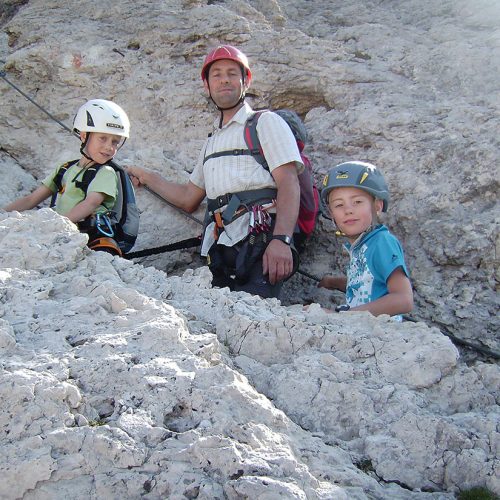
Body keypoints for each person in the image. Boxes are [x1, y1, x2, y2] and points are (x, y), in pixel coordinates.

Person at [127, 45, 303, 298]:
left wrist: (282, 240)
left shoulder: (265, 122)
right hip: (221, 243)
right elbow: (189, 198)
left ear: (246, 81)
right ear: (206, 86)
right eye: (217, 74)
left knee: (255, 320)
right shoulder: (212, 142)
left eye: (232, 73)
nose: (224, 80)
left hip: (261, 238)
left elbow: (288, 182)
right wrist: (147, 177)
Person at [3, 99, 130, 255]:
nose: (109, 147)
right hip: (64, 234)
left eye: (115, 142)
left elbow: (91, 203)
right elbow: (31, 199)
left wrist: (60, 227)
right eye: (102, 138)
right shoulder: (65, 169)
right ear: (84, 136)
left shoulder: (106, 173)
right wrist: (3, 213)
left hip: (89, 239)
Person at [318, 161, 413, 320]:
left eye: (357, 202)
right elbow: (369, 285)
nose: (348, 210)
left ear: (377, 205)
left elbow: (403, 300)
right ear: (331, 213)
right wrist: (334, 282)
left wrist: (341, 317)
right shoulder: (362, 246)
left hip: (381, 336)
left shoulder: (382, 242)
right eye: (339, 205)